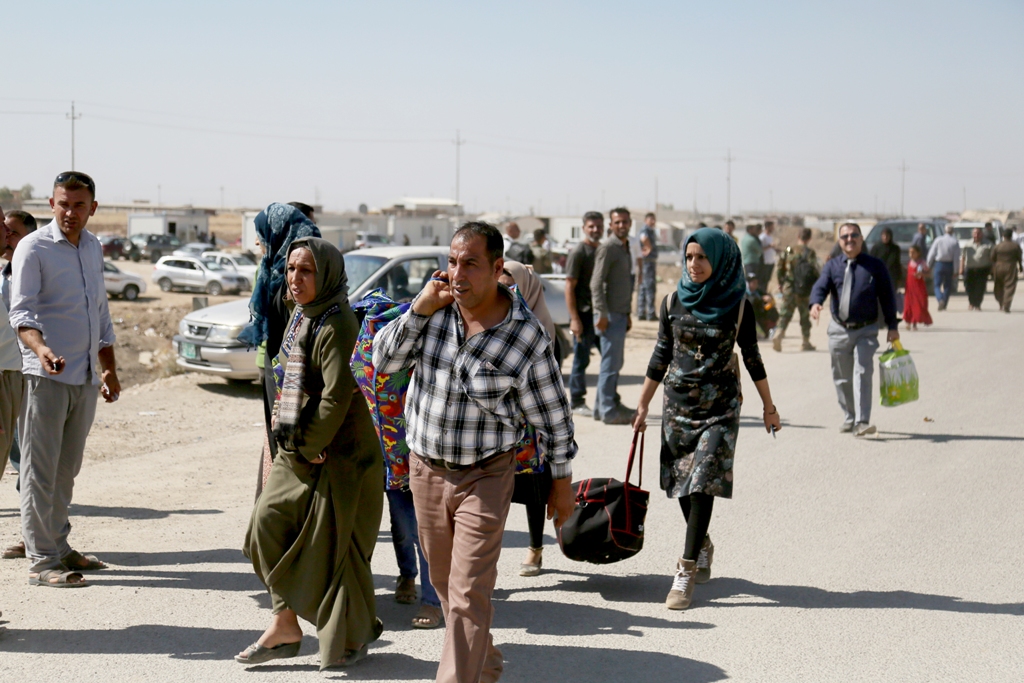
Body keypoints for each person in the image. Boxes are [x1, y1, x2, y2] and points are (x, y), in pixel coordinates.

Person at [373, 222, 576, 683]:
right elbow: (383, 362)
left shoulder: (524, 337)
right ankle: (483, 663)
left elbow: (554, 417)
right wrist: (419, 311)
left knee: (468, 593)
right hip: (425, 470)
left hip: (486, 476)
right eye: (451, 261)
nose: (457, 273)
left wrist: (561, 483)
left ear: (498, 268)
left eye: (470, 263)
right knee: (445, 585)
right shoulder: (434, 310)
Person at [240, 237, 384, 669]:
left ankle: (347, 634)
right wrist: (294, 438)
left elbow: (337, 396)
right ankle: (286, 621)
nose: (295, 279)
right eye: (290, 270)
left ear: (327, 276)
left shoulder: (337, 322)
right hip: (302, 443)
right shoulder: (303, 314)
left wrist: (309, 445)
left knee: (337, 547)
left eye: (306, 271)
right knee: (264, 527)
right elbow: (291, 381)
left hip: (341, 453)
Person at [633, 228, 780, 611]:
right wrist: (642, 404)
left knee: (702, 481)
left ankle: (684, 569)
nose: (694, 265)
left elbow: (751, 357)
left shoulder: (738, 304)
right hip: (677, 407)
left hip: (721, 409)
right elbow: (660, 354)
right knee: (681, 483)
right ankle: (702, 542)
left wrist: (769, 406)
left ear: (721, 260)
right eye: (689, 257)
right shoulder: (671, 301)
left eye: (702, 257)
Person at [9, 171, 120, 587]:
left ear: (93, 207)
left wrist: (108, 366)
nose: (70, 213)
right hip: (46, 375)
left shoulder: (92, 246)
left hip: (86, 375)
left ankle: (59, 544)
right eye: (62, 204)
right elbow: (21, 313)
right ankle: (42, 561)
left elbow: (100, 313)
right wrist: (41, 350)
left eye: (78, 205)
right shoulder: (34, 248)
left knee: (65, 469)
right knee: (39, 469)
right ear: (50, 205)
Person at [350, 290, 442, 630]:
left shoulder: (420, 340)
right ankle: (407, 575)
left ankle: (432, 599)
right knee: (402, 528)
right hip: (383, 460)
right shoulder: (356, 347)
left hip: (422, 456)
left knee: (424, 531)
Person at [239, 204, 320, 498]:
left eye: (263, 234)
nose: (259, 242)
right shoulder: (273, 271)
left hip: (293, 377)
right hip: (277, 371)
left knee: (285, 447)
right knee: (275, 445)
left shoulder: (296, 281)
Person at [810, 222, 899, 436]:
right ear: (839, 241)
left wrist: (892, 326)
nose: (849, 240)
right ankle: (849, 416)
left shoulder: (875, 266)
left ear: (861, 239)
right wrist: (815, 302)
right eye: (845, 236)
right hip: (839, 329)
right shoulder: (832, 266)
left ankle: (862, 420)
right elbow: (821, 286)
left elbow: (887, 296)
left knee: (863, 372)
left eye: (854, 235)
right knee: (841, 377)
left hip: (866, 330)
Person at [499, 260, 557, 578]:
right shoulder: (491, 315)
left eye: (511, 282)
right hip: (497, 416)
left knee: (534, 483)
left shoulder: (543, 324)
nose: (506, 288)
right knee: (493, 486)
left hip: (531, 418)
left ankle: (535, 548)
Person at [2, 210, 36, 561]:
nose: (7, 238)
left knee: (32, 459)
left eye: (13, 232)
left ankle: (36, 535)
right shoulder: (3, 273)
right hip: (7, 377)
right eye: (4, 232)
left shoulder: (31, 274)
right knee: (18, 456)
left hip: (27, 375)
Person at [591, 207, 635, 425]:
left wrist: (627, 313)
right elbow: (596, 283)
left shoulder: (624, 247)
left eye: (625, 222)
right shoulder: (608, 247)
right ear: (611, 225)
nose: (621, 225)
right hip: (609, 316)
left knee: (613, 363)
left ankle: (602, 408)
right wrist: (601, 312)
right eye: (617, 222)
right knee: (610, 365)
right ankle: (608, 410)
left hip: (619, 314)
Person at [565, 211, 603, 416]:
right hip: (584, 314)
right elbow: (569, 286)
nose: (595, 230)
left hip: (600, 314)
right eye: (591, 226)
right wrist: (574, 318)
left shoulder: (603, 250)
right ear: (584, 228)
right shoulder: (579, 252)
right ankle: (577, 400)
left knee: (608, 358)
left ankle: (605, 400)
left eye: (598, 226)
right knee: (581, 359)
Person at [773, 228, 819, 352]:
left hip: (789, 287)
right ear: (809, 238)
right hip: (803, 289)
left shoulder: (789, 249)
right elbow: (815, 270)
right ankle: (805, 341)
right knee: (804, 316)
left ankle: (779, 334)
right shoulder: (810, 252)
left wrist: (781, 282)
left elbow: (779, 266)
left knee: (785, 314)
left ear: (798, 236)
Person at [869, 227, 904, 313]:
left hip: (892, 277)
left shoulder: (895, 248)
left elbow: (897, 264)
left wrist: (900, 278)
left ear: (890, 236)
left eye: (887, 235)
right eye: (883, 235)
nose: (885, 237)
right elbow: (870, 262)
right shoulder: (876, 247)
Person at [926, 225, 961, 311]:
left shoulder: (939, 240)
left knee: (937, 285)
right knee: (947, 286)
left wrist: (928, 265)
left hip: (939, 264)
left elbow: (932, 254)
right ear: (952, 232)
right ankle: (944, 302)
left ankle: (940, 299)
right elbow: (956, 258)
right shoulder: (955, 242)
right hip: (949, 265)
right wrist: (956, 270)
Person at [961, 228, 993, 311]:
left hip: (982, 269)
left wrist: (992, 269)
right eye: (975, 233)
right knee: (968, 286)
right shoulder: (967, 244)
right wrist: (961, 268)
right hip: (969, 269)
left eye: (978, 233)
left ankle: (978, 304)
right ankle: (971, 303)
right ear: (972, 234)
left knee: (980, 288)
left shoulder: (988, 244)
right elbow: (963, 257)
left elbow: (993, 257)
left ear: (982, 234)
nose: (976, 235)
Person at [991, 228, 1023, 313]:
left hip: (998, 267)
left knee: (999, 285)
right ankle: (1007, 305)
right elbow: (1019, 257)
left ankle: (1001, 303)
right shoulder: (1015, 246)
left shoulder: (998, 246)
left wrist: (993, 268)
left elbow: (992, 258)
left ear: (1003, 236)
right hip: (1011, 267)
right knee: (1009, 286)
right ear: (1011, 236)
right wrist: (1020, 267)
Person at [902, 245, 932, 330]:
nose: (911, 254)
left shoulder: (922, 263)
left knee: (918, 304)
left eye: (913, 252)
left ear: (918, 253)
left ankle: (914, 323)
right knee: (908, 304)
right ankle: (908, 322)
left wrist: (921, 274)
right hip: (910, 287)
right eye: (910, 252)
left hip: (918, 287)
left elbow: (929, 274)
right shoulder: (910, 262)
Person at [637, 212, 658, 320]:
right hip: (648, 262)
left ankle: (641, 312)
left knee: (643, 287)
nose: (653, 222)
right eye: (651, 219)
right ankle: (650, 313)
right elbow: (643, 237)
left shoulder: (648, 229)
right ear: (646, 220)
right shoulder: (646, 230)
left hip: (647, 262)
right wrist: (649, 248)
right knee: (649, 287)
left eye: (654, 219)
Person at [759, 220, 778, 290]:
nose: (773, 229)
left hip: (771, 262)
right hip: (765, 262)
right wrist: (770, 246)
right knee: (762, 281)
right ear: (767, 227)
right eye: (772, 227)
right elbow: (760, 249)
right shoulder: (762, 237)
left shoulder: (770, 237)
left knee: (767, 281)